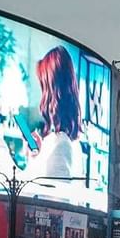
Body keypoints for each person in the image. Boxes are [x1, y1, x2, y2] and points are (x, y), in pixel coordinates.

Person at [27, 47, 86, 181]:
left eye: (43, 86)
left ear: (50, 90)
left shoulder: (61, 145)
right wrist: (37, 156)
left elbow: (23, 193)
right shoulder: (64, 143)